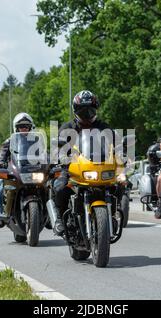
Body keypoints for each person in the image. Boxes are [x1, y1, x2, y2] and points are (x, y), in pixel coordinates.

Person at [53, 90, 111, 236]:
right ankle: (59, 219)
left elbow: (115, 143)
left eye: (90, 110)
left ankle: (115, 213)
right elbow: (57, 148)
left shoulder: (102, 127)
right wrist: (60, 157)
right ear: (76, 111)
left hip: (99, 167)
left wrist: (122, 154)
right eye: (82, 110)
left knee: (121, 183)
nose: (86, 114)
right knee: (60, 186)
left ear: (95, 110)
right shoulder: (67, 128)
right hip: (73, 167)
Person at [0, 112, 35, 228]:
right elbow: (2, 152)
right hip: (15, 170)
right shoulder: (10, 140)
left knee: (48, 183)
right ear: (16, 128)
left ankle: (51, 215)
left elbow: (43, 153)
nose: (24, 129)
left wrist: (49, 161)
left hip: (32, 170)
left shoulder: (35, 140)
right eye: (21, 126)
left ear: (30, 127)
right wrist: (1, 162)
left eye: (26, 126)